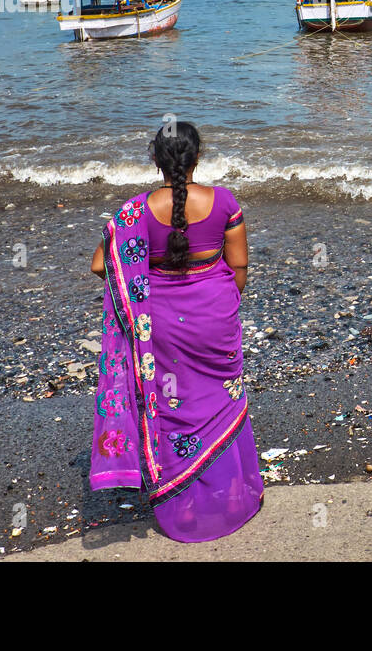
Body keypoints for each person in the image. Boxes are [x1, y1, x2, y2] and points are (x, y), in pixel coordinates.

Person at [88, 122, 263, 542]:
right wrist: (221, 303)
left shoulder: (134, 211)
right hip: (215, 319)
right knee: (222, 399)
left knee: (172, 405)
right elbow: (239, 267)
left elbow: (100, 265)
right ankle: (232, 492)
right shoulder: (224, 202)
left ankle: (180, 501)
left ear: (155, 159)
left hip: (161, 326)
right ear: (198, 157)